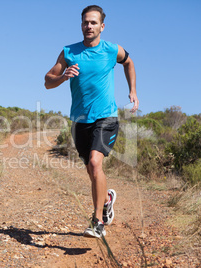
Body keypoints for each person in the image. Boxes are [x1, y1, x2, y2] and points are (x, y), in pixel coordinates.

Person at [44, 5, 139, 238]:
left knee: (96, 164)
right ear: (81, 25)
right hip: (79, 120)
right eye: (86, 22)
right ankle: (106, 199)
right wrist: (63, 76)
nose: (89, 26)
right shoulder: (69, 52)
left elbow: (128, 62)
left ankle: (97, 222)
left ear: (102, 26)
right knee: (90, 168)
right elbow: (47, 81)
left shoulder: (111, 50)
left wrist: (133, 91)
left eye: (93, 22)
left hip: (106, 116)